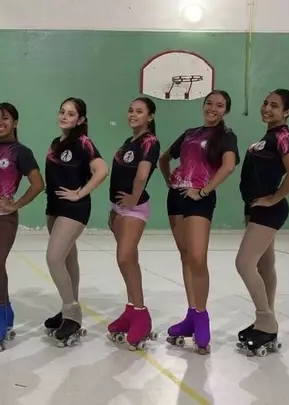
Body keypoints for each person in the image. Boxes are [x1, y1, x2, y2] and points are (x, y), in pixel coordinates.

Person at [159, 90, 239, 355]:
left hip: (199, 199)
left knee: (197, 257)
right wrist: (169, 179)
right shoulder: (189, 133)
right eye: (209, 103)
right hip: (176, 197)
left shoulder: (226, 136)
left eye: (220, 105)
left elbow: (228, 166)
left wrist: (203, 191)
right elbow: (164, 158)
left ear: (226, 110)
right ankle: (191, 314)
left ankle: (202, 316)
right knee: (185, 256)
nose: (213, 108)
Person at [235, 89, 289, 356]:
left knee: (244, 263)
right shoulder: (268, 137)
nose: (266, 108)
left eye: (274, 105)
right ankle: (267, 321)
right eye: (265, 103)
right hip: (255, 210)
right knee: (264, 265)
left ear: (287, 112)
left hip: (269, 212)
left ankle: (265, 320)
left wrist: (274, 198)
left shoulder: (283, 136)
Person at [0, 102, 44, 351]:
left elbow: (38, 184)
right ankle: (5, 311)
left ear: (15, 122)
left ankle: (0, 313)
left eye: (5, 118)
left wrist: (16, 204)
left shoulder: (21, 152)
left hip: (3, 218)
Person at [42, 97, 108, 348]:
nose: (64, 116)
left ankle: (72, 312)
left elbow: (102, 170)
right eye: (62, 112)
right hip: (54, 208)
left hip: (74, 209)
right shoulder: (55, 143)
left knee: (54, 258)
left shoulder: (83, 142)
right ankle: (68, 311)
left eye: (70, 114)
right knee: (68, 259)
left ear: (80, 119)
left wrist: (80, 193)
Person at [106, 97, 161, 350]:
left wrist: (133, 198)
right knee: (128, 260)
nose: (133, 114)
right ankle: (130, 309)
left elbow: (142, 174)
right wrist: (114, 208)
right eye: (130, 110)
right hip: (118, 208)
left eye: (139, 111)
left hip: (134, 208)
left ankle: (141, 314)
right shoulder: (130, 142)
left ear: (150, 117)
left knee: (125, 258)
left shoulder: (150, 142)